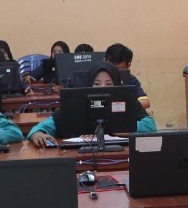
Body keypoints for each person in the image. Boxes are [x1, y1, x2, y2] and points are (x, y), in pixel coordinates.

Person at [28, 62, 157, 146]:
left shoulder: (126, 100)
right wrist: (37, 134)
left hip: (120, 156)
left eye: (109, 84)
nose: (102, 88)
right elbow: (40, 128)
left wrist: (128, 127)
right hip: (81, 159)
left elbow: (150, 126)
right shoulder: (76, 103)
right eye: (96, 84)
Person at [102, 43, 150, 108]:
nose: (114, 72)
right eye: (110, 67)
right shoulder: (96, 78)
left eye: (119, 69)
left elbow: (145, 102)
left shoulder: (131, 79)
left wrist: (119, 105)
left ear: (128, 66)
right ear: (104, 61)